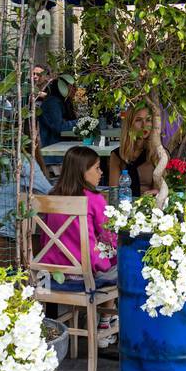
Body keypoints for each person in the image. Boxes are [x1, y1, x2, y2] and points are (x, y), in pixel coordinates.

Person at [41, 145, 115, 288]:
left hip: (53, 270)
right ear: (83, 172)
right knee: (125, 261)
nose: (101, 172)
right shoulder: (94, 198)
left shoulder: (52, 196)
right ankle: (107, 309)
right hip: (85, 273)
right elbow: (108, 236)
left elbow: (45, 237)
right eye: (97, 168)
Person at [109, 105, 157, 198]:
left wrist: (157, 191)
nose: (144, 125)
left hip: (151, 208)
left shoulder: (157, 154)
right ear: (129, 124)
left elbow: (165, 190)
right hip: (124, 207)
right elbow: (113, 193)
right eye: (138, 120)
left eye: (148, 120)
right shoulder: (117, 155)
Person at [35, 68, 76, 148]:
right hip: (52, 150)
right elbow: (60, 127)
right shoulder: (52, 103)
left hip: (59, 146)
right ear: (63, 87)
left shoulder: (62, 102)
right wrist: (79, 122)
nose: (75, 90)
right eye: (72, 86)